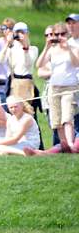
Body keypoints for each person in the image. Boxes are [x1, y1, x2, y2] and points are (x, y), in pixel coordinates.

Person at [36, 23, 79, 152]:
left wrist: (68, 48)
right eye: (56, 34)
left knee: (67, 117)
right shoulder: (52, 49)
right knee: (57, 119)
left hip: (69, 87)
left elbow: (76, 63)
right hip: (54, 88)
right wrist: (46, 46)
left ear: (67, 34)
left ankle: (71, 144)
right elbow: (39, 64)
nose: (59, 36)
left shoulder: (73, 47)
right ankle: (64, 144)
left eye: (62, 34)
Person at [0, 22, 39, 102]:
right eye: (17, 32)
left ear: (27, 34)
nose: (19, 35)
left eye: (22, 32)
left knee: (27, 109)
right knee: (14, 108)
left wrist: (25, 47)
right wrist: (7, 44)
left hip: (27, 82)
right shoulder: (12, 49)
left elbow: (28, 64)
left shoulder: (33, 49)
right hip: (14, 82)